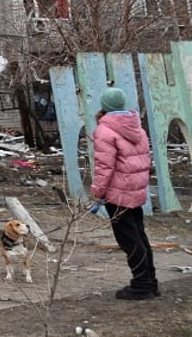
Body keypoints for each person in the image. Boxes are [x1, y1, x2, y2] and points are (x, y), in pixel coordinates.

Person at [90, 87, 158, 300]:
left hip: (118, 194)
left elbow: (104, 166)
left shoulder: (105, 131)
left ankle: (141, 285)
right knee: (139, 235)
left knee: (129, 240)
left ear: (104, 105)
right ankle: (150, 282)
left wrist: (97, 191)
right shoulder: (137, 127)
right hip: (135, 190)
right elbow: (144, 160)